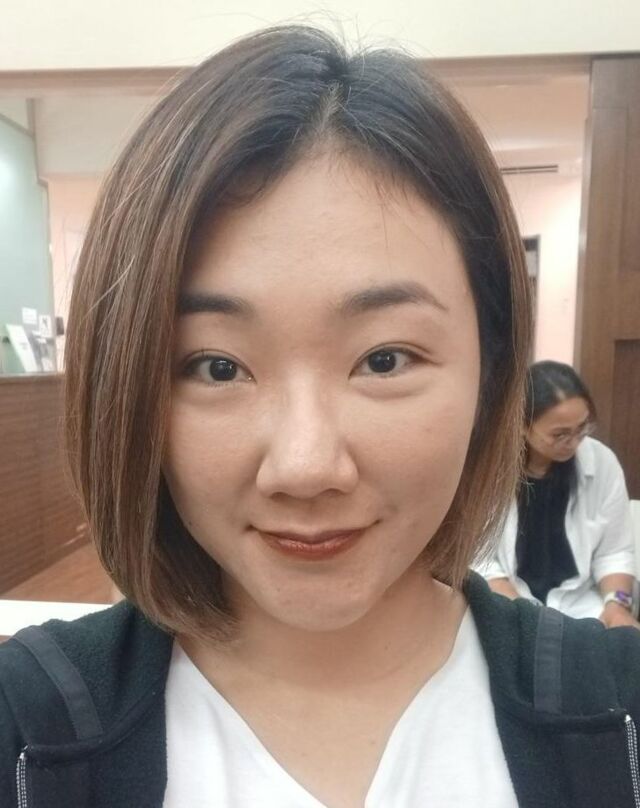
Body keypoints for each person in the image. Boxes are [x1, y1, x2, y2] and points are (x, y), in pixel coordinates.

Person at [1, 25, 640, 808]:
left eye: (385, 359)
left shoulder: (618, 713)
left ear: (491, 369)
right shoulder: (28, 728)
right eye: (217, 366)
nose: (305, 467)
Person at [479, 360, 638, 626]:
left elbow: (615, 553)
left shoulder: (602, 462)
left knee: (623, 643)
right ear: (522, 425)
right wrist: (521, 613)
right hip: (508, 600)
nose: (574, 443)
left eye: (582, 428)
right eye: (560, 435)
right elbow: (478, 558)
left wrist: (617, 606)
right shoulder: (488, 468)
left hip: (582, 604)